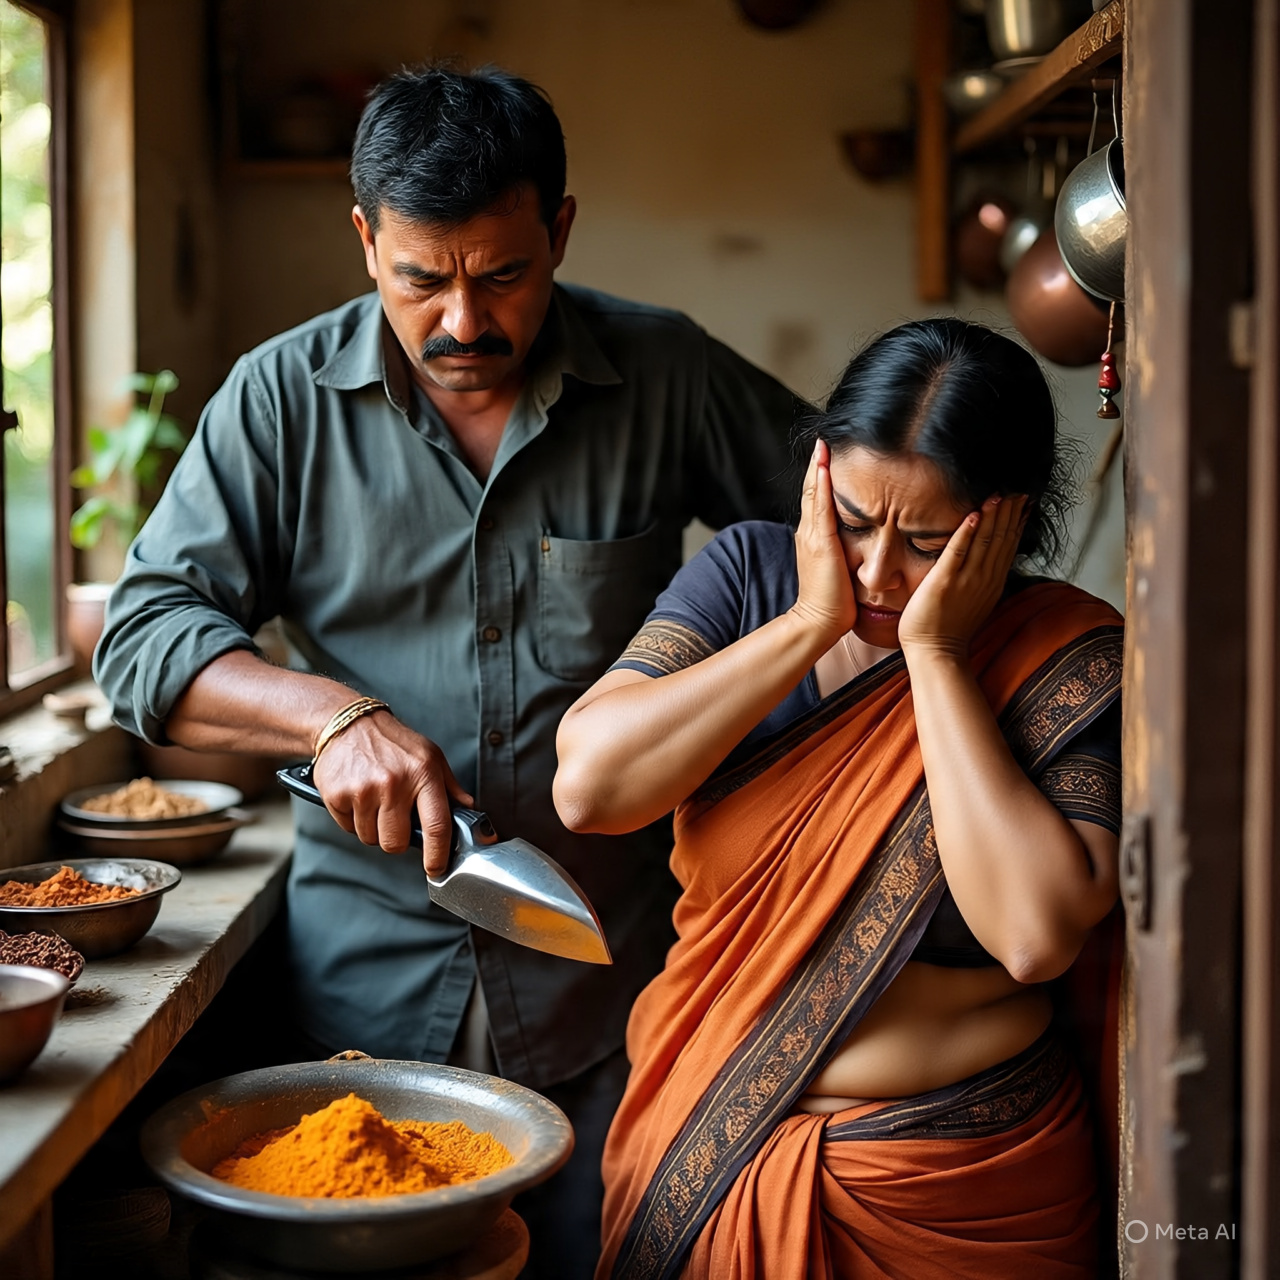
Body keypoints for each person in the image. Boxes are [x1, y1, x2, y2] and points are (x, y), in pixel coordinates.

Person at [93, 65, 800, 1277]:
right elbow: (143, 634)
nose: (462, 322)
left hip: (613, 998)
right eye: (421, 278)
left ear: (558, 230)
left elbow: (840, 525)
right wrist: (326, 716)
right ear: (366, 240)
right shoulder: (280, 402)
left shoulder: (666, 375)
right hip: (361, 1018)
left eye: (503, 274)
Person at [553, 318, 1124, 1280]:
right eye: (855, 521)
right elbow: (591, 789)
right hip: (706, 1147)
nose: (876, 572)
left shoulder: (1059, 651)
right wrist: (809, 625)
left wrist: (936, 657)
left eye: (929, 542)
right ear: (818, 476)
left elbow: (1034, 934)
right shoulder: (748, 578)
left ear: (1008, 523)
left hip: (957, 1189)